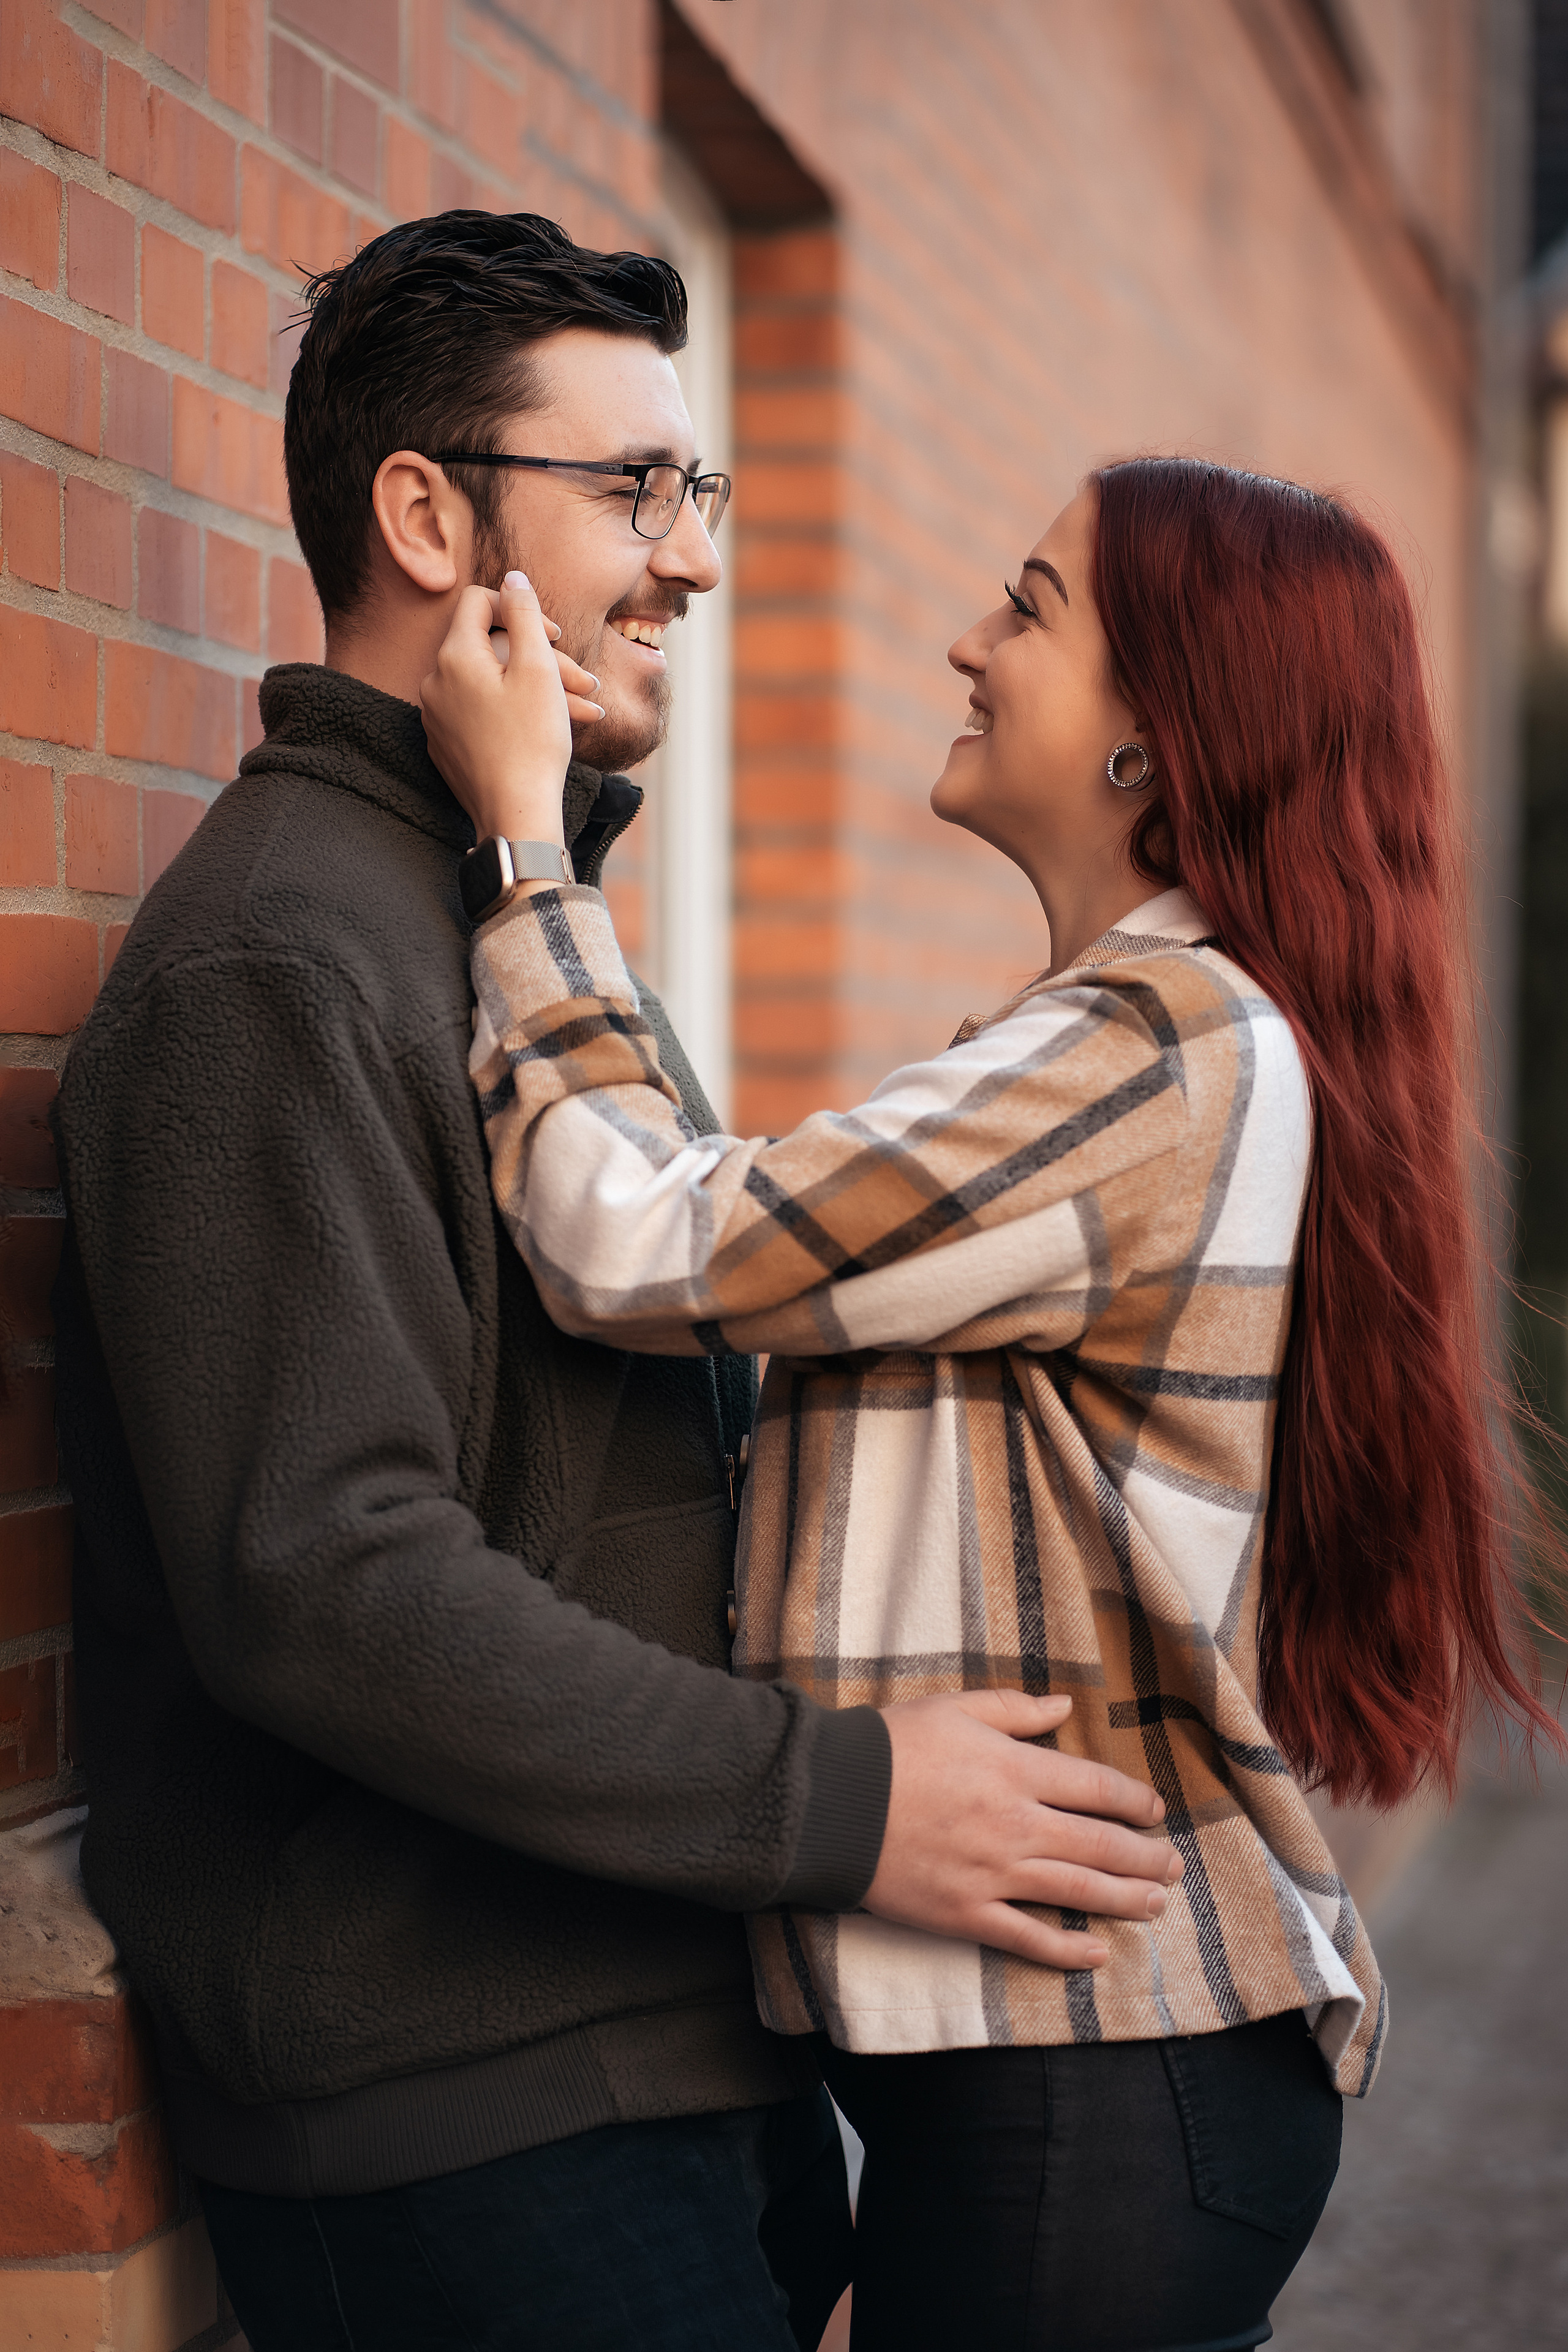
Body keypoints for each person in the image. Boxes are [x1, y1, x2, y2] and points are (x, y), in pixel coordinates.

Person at [50, 213, 1182, 2352]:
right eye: (634, 489)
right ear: (423, 512)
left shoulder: (496, 909)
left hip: (654, 2037)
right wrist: (843, 1807)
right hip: (458, 2110)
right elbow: (330, 1574)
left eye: (701, 489)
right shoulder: (283, 962)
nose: (693, 558)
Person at [420, 454, 1562, 2351]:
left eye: (1029, 610)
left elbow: (631, 1238)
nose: (967, 640)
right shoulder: (1132, 1041)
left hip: (1094, 2100)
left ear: (1153, 735)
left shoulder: (1151, 1051)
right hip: (1079, 2094)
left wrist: (527, 854)